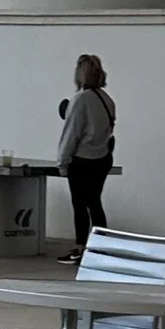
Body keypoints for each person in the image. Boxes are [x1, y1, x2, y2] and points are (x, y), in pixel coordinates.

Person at [57, 53, 116, 251]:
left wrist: (62, 161)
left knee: (80, 205)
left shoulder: (81, 99)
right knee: (95, 203)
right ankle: (101, 246)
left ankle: (80, 247)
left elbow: (71, 133)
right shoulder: (107, 100)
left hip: (82, 160)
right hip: (103, 158)